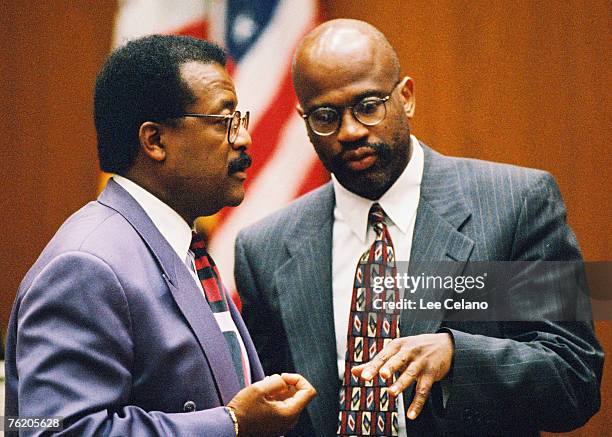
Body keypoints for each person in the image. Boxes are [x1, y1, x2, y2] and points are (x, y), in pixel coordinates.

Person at [234, 19, 603, 436]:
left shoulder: (516, 204)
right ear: (303, 120)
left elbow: (576, 377)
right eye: (326, 116)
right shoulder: (264, 249)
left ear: (405, 97)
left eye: (369, 106)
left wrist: (457, 356)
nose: (351, 131)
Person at [4, 35, 315, 436]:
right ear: (154, 140)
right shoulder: (86, 265)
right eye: (224, 121)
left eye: (240, 120)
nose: (243, 138)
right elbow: (54, 430)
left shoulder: (178, 245)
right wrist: (232, 425)